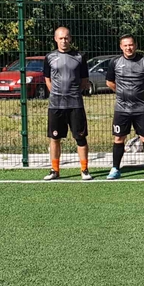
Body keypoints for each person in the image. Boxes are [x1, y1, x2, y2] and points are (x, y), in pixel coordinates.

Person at [105, 34, 144, 179]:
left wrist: (141, 93)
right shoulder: (115, 62)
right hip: (121, 108)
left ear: (135, 45)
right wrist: (122, 93)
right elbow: (109, 82)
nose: (128, 48)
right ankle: (115, 168)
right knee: (119, 138)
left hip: (140, 108)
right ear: (121, 47)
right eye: (125, 45)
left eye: (131, 45)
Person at [42, 27, 93, 180]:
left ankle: (84, 170)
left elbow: (84, 80)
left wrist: (73, 93)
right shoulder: (49, 57)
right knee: (55, 138)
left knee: (80, 138)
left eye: (66, 38)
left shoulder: (79, 57)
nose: (64, 41)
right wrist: (56, 94)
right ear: (55, 39)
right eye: (61, 38)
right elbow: (47, 79)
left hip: (75, 104)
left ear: (70, 39)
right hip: (56, 105)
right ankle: (54, 170)